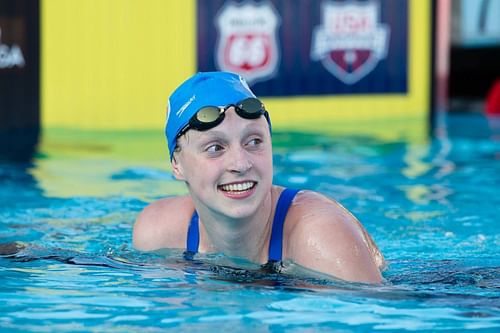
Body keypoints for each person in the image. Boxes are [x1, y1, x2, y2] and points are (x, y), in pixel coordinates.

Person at [133, 71, 385, 283]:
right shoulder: (158, 233)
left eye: (254, 141)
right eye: (215, 148)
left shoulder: (318, 237)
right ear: (177, 165)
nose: (241, 164)